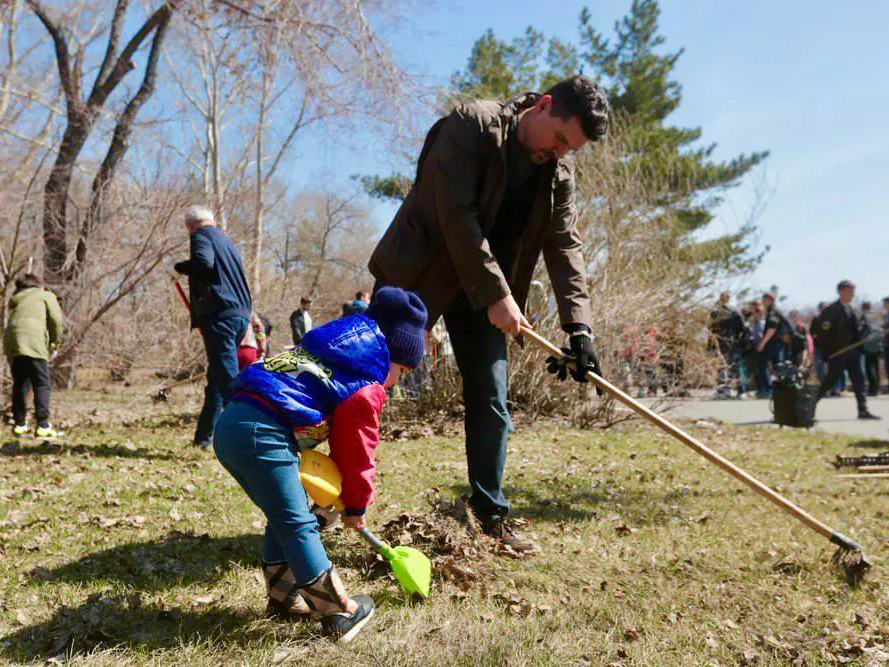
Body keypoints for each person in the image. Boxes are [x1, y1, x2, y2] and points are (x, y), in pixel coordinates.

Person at [368, 75, 610, 551]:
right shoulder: (471, 125)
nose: (560, 153)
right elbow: (456, 215)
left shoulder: (558, 171)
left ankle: (489, 514)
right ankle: (320, 497)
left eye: (570, 148)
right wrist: (500, 294)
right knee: (365, 379)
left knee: (491, 398)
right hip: (419, 273)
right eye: (560, 139)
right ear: (543, 106)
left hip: (482, 293)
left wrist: (579, 328)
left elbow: (564, 243)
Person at [212, 286, 428, 642]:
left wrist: (334, 501)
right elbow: (356, 450)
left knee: (286, 514)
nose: (396, 381)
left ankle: (283, 597)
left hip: (233, 425)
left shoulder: (331, 352)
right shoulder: (364, 383)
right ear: (390, 353)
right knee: (297, 523)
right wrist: (356, 505)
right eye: (401, 371)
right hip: (262, 433)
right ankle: (337, 612)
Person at [173, 205, 252, 448]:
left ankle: (250, 437)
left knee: (228, 381)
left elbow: (202, 263)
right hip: (240, 315)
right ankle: (203, 440)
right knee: (217, 379)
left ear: (190, 226)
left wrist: (179, 268)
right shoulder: (226, 241)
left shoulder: (201, 236)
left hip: (221, 317)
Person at [4, 273, 63, 438]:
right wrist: (54, 344)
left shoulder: (16, 300)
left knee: (20, 383)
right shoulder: (45, 296)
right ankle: (43, 425)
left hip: (13, 341)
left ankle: (19, 424)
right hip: (34, 341)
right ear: (38, 285)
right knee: (42, 383)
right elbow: (56, 321)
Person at [811, 280, 879, 419]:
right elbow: (821, 334)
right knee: (830, 380)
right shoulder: (831, 311)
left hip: (853, 352)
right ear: (841, 291)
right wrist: (826, 352)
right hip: (838, 353)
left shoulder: (852, 310)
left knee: (859, 380)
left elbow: (857, 330)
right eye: (850, 292)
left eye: (853, 292)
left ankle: (863, 410)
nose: (853, 295)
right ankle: (809, 405)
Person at [709, 292, 749, 398]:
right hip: (729, 343)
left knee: (729, 367)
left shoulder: (719, 313)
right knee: (729, 367)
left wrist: (711, 346)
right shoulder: (730, 312)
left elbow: (712, 331)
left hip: (727, 343)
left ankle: (732, 391)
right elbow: (743, 330)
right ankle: (734, 391)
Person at [754, 292, 786, 397]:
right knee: (777, 366)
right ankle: (777, 389)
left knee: (761, 363)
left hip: (774, 342)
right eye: (763, 299)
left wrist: (762, 343)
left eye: (766, 299)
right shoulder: (771, 311)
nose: (763, 301)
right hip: (776, 342)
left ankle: (767, 389)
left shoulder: (773, 312)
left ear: (771, 300)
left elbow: (771, 330)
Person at [858, 301, 883, 396]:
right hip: (878, 345)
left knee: (868, 368)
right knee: (876, 368)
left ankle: (872, 389)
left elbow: (860, 330)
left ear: (863, 308)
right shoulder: (877, 316)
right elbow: (881, 330)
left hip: (868, 345)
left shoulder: (864, 317)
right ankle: (877, 388)